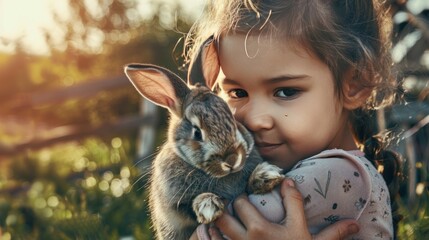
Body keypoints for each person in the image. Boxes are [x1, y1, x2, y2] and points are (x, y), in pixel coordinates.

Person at [184, 0, 403, 239]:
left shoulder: (336, 173)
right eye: (237, 93)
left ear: (354, 84)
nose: (255, 120)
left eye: (286, 92)